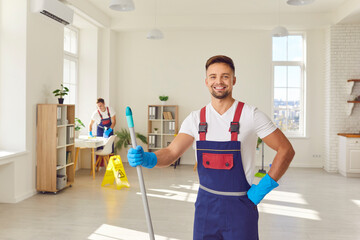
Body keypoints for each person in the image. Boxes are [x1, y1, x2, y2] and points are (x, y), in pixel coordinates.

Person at [127, 55, 295, 239]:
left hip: (241, 208)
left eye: (225, 76)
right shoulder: (196, 119)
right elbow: (171, 152)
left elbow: (286, 149)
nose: (219, 81)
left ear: (234, 80)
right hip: (206, 208)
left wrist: (261, 189)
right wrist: (148, 158)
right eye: (213, 76)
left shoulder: (250, 115)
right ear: (206, 81)